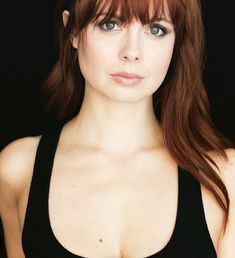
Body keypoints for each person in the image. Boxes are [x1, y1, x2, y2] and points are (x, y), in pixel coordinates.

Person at [0, 0, 235, 257]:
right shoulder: (17, 170)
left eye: (156, 29)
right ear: (73, 31)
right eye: (110, 24)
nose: (132, 52)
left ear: (177, 40)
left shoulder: (224, 176)